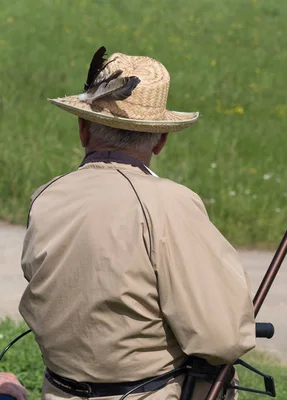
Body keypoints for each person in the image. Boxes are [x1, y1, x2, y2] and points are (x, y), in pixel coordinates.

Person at [18, 47, 256, 400]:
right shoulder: (170, 204)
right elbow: (222, 338)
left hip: (59, 390)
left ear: (83, 129)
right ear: (161, 139)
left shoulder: (46, 197)